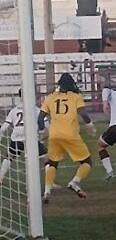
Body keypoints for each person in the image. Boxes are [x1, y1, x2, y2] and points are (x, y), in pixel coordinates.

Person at [37, 74, 97, 202]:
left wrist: (42, 130)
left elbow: (40, 118)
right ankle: (75, 182)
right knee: (87, 162)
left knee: (52, 163)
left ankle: (47, 192)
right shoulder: (76, 97)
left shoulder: (50, 97)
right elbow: (83, 114)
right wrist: (90, 125)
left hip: (54, 135)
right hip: (70, 134)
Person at [0, 89, 47, 186]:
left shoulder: (14, 110)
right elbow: (47, 126)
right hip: (31, 139)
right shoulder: (37, 110)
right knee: (47, 158)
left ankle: (0, 178)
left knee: (9, 157)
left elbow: (4, 127)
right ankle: (50, 182)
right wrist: (43, 135)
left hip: (17, 137)